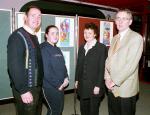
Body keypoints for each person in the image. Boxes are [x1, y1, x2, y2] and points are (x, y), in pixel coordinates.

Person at [105, 9, 143, 115]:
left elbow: (131, 65)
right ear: (115, 21)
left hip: (126, 87)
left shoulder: (136, 38)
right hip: (111, 86)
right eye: (118, 18)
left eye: (124, 19)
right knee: (113, 112)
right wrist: (107, 78)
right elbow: (108, 60)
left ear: (130, 22)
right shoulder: (114, 38)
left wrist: (114, 81)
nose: (120, 21)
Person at [7, 6, 43, 115]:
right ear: (25, 18)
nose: (36, 19)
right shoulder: (17, 36)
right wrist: (23, 90)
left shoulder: (33, 36)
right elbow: (14, 66)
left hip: (36, 88)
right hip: (26, 89)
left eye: (39, 16)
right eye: (33, 15)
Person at [75, 22, 108, 115]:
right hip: (82, 84)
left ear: (95, 34)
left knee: (93, 110)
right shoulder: (82, 47)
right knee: (83, 109)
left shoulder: (101, 48)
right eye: (85, 33)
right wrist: (77, 80)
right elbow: (79, 65)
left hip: (94, 85)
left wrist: (98, 85)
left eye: (89, 33)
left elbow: (102, 68)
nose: (86, 35)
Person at [40, 25, 69, 115]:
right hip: (50, 87)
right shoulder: (43, 48)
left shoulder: (57, 49)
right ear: (46, 35)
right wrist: (58, 85)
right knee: (54, 110)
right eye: (52, 33)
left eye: (57, 33)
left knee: (59, 109)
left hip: (60, 85)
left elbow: (63, 66)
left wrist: (66, 78)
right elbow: (46, 72)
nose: (55, 36)